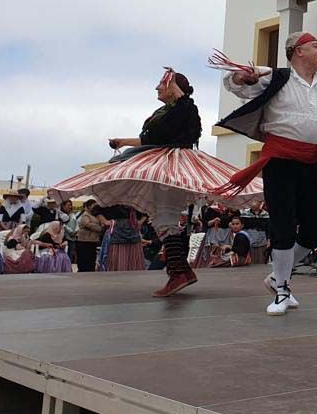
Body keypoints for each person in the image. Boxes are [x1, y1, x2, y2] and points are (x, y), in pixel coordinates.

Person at [50, 68, 262, 295]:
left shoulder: (186, 108)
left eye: (162, 84)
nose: (157, 88)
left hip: (174, 166)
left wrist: (179, 92)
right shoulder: (164, 112)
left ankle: (177, 274)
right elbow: (149, 139)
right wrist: (124, 141)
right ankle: (182, 272)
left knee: (165, 218)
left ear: (173, 88)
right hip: (161, 162)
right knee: (163, 218)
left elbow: (188, 133)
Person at [219, 32, 317, 315]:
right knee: (283, 226)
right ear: (298, 51)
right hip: (279, 162)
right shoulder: (277, 77)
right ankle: (283, 289)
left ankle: (276, 277)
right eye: (315, 46)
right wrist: (242, 78)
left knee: (313, 233)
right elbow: (235, 84)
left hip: (309, 163)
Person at [75, 199, 104, 272]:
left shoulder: (95, 215)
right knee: (84, 259)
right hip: (84, 241)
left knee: (91, 259)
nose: (95, 207)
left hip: (93, 240)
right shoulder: (85, 215)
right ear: (88, 206)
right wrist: (100, 228)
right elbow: (87, 224)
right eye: (93, 205)